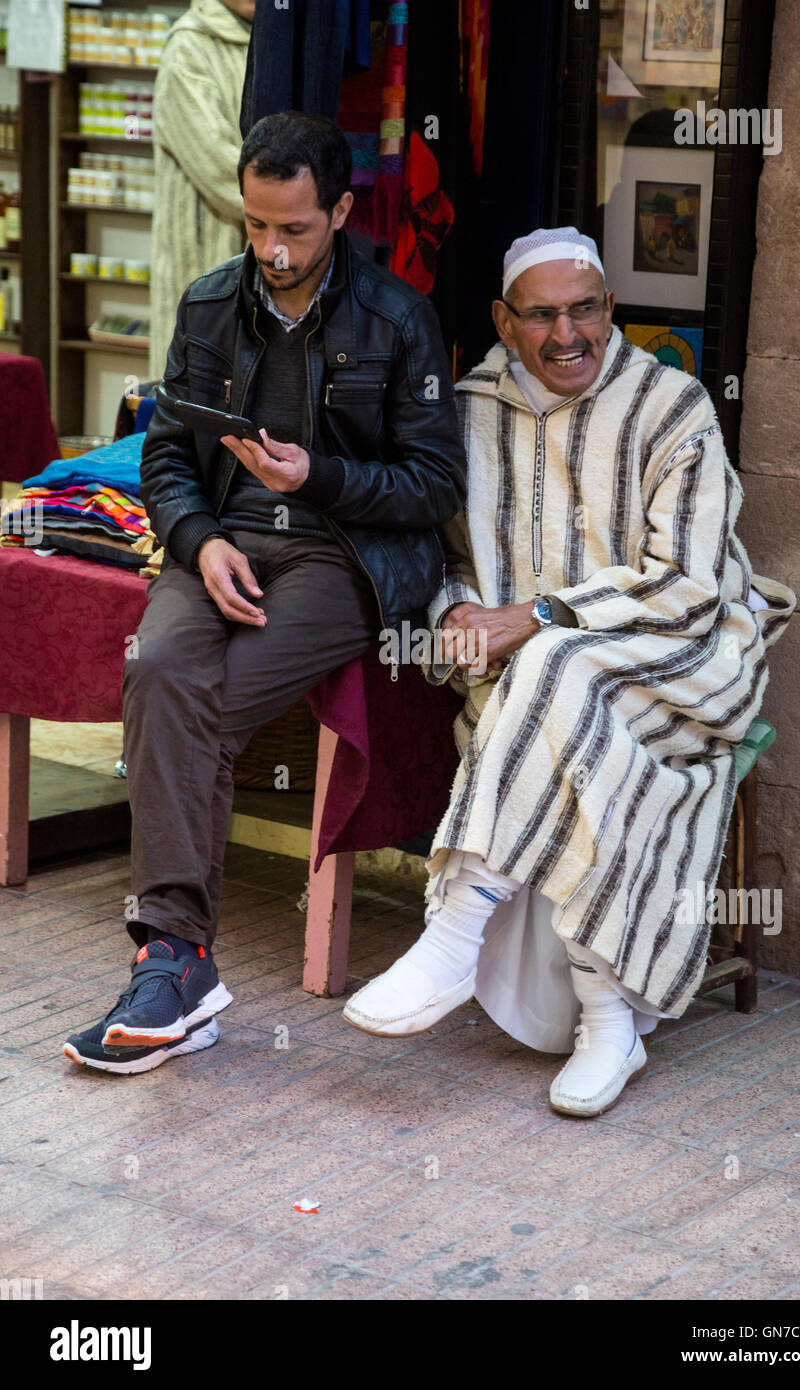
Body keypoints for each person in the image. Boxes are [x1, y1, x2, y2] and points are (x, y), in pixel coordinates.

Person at [342, 226, 796, 1118]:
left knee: (558, 661)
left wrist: (538, 617)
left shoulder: (674, 405)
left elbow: (689, 586)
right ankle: (608, 1026)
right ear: (505, 323)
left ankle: (454, 933)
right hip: (543, 684)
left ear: (610, 309)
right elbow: (442, 561)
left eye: (584, 309)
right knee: (568, 694)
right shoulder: (467, 409)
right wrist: (458, 619)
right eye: (542, 315)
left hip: (689, 660)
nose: (567, 334)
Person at [64, 112, 466, 1074]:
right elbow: (167, 457)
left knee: (185, 707)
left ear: (340, 210)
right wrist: (198, 541)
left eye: (294, 228)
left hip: (342, 557)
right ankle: (177, 964)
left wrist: (314, 479)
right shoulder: (209, 304)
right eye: (255, 227)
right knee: (159, 666)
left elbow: (436, 487)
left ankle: (173, 966)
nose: (272, 250)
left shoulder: (399, 316)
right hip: (222, 548)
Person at [149, 0, 254, 381]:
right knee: (196, 399)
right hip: (206, 256)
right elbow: (219, 167)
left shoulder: (279, 41)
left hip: (265, 261)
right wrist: (297, 209)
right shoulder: (188, 48)